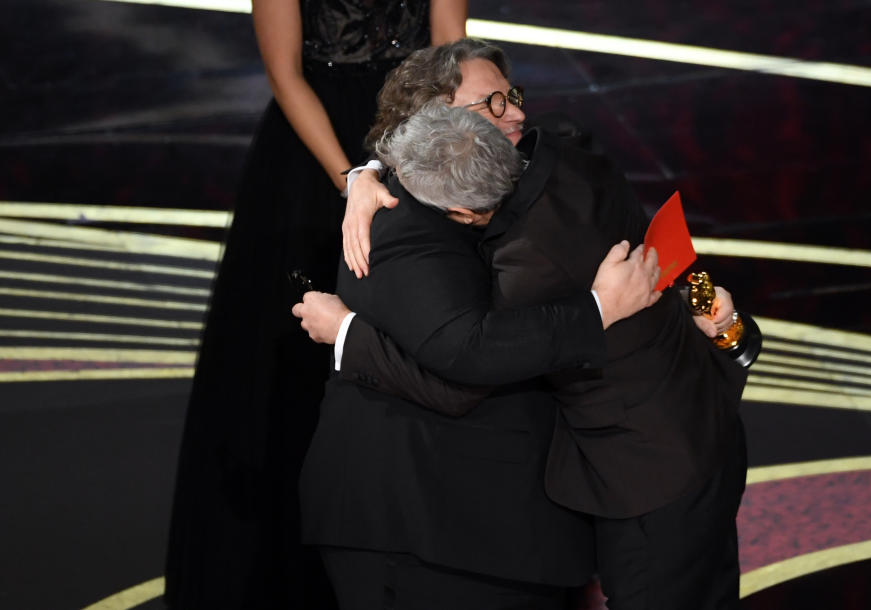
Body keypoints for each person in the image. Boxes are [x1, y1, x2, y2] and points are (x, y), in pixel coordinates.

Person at [297, 38, 749, 609]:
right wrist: (364, 175)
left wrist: (346, 334)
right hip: (703, 422)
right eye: (492, 103)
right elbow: (686, 272)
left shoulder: (521, 249)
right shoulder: (567, 152)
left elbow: (464, 370)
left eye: (511, 97)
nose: (515, 112)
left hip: (649, 472)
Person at [163, 3, 466, 609]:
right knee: (298, 366)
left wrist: (435, 160)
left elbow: (452, 53)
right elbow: (285, 73)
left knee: (424, 340)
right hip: (316, 153)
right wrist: (351, 175)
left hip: (415, 137)